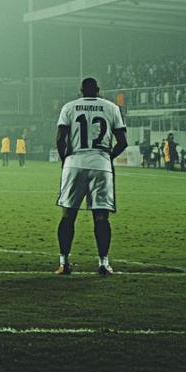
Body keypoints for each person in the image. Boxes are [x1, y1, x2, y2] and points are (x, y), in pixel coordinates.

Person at [54, 78, 128, 276]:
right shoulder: (111, 108)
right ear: (98, 90)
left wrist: (65, 160)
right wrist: (107, 157)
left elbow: (60, 139)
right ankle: (104, 263)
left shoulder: (69, 107)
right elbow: (123, 142)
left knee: (68, 216)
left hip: (74, 163)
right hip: (101, 164)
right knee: (101, 217)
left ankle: (63, 263)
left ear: (81, 91)